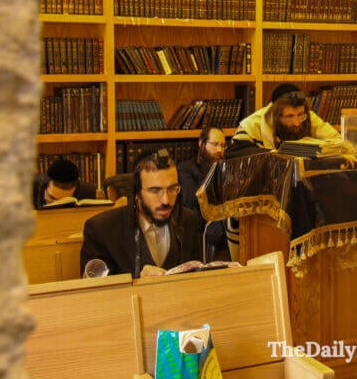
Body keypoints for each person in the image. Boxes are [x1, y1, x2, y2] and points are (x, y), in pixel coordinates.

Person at [80, 149, 202, 278]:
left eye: (172, 189)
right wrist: (138, 281)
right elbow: (94, 292)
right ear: (136, 193)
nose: (166, 200)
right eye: (155, 190)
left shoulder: (189, 220)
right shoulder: (101, 230)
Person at [225, 83, 339, 159]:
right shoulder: (252, 124)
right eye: (289, 116)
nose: (297, 122)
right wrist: (274, 155)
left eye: (300, 115)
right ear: (276, 116)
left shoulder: (307, 117)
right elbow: (233, 153)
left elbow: (336, 141)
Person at [178, 126, 228, 260]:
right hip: (201, 223)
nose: (219, 150)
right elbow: (191, 200)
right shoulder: (186, 168)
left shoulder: (225, 168)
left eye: (223, 146)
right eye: (215, 144)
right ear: (201, 143)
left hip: (224, 219)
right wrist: (211, 171)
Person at [32, 158, 99, 209]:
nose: (57, 205)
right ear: (47, 186)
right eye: (52, 198)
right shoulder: (30, 189)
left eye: (64, 201)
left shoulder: (87, 192)